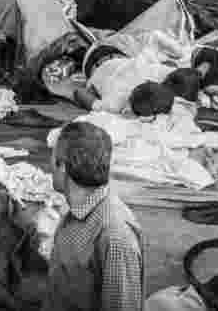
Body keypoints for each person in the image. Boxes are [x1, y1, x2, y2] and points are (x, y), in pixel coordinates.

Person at [45, 121, 144, 311]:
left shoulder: (115, 236)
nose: (49, 166)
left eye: (51, 158)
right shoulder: (78, 209)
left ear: (63, 167)